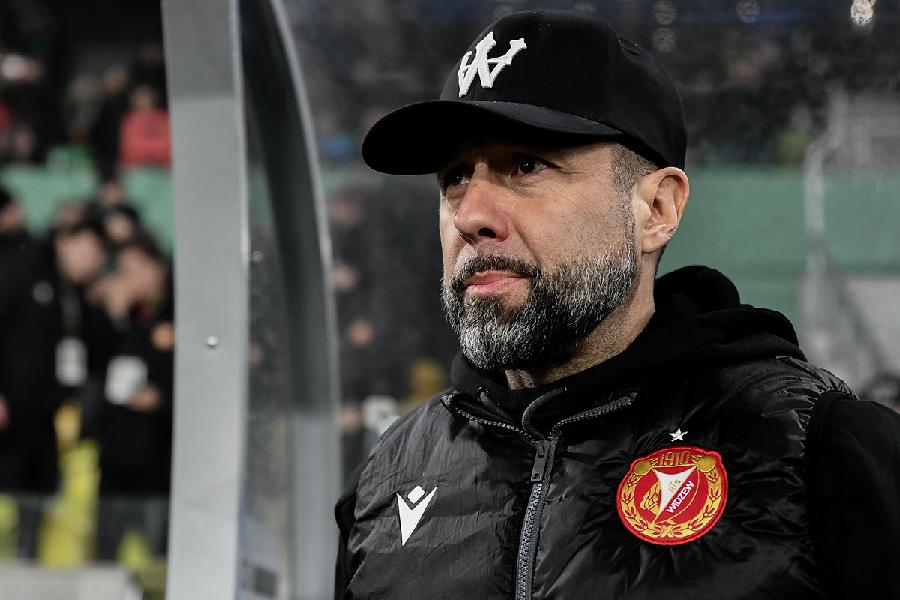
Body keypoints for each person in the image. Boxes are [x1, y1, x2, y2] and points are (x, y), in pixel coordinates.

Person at [334, 10, 900, 599]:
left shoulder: (821, 454)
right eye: (454, 177)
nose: (470, 216)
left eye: (526, 165)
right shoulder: (385, 485)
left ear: (657, 209)